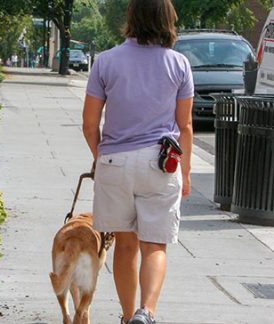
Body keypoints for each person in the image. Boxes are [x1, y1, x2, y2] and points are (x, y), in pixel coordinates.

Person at [82, 1, 193, 324]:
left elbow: (90, 124)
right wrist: (184, 173)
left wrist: (101, 158)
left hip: (115, 160)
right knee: (155, 245)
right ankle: (147, 312)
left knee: (125, 245)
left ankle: (127, 315)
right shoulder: (179, 64)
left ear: (131, 18)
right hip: (160, 163)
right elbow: (185, 126)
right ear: (167, 20)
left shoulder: (106, 62)